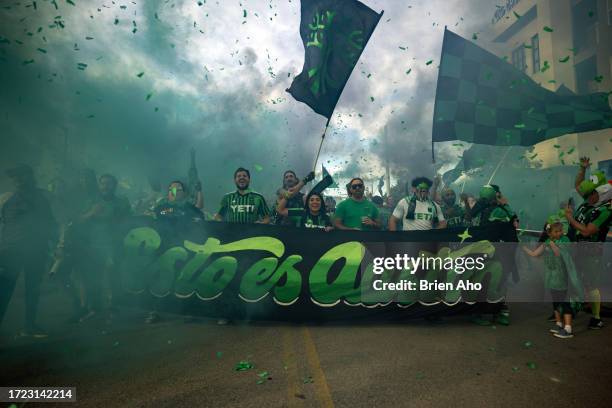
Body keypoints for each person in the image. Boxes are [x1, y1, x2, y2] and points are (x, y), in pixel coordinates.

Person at [0, 164, 57, 337]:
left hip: (36, 250)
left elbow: (52, 223)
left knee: (33, 290)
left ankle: (29, 326)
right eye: (14, 177)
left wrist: (55, 247)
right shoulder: (5, 198)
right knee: (4, 291)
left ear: (30, 176)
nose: (17, 180)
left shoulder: (43, 197)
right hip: (10, 251)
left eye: (21, 176)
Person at [145, 180, 205, 324]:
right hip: (163, 248)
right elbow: (155, 215)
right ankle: (155, 311)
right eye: (171, 189)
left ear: (184, 193)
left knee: (182, 280)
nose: (174, 192)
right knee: (160, 279)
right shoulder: (161, 207)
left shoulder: (189, 207)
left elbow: (199, 212)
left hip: (183, 249)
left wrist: (199, 193)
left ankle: (186, 312)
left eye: (178, 189)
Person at [78, 174, 131, 322]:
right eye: (102, 184)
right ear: (99, 186)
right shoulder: (91, 201)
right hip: (93, 245)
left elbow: (128, 222)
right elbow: (79, 221)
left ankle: (113, 309)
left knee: (112, 277)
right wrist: (91, 213)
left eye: (108, 184)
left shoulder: (122, 202)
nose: (105, 187)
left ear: (115, 186)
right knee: (92, 278)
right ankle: (94, 309)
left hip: (114, 245)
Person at [522, 217, 583, 339]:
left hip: (563, 277)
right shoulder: (547, 242)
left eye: (560, 230)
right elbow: (535, 254)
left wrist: (551, 243)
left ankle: (568, 328)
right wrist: (522, 246)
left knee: (564, 302)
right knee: (555, 301)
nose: (560, 233)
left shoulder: (564, 240)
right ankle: (559, 324)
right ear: (550, 233)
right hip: (551, 277)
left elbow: (558, 253)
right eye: (556, 231)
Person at [566, 177, 611, 330]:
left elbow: (587, 231)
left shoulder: (605, 210)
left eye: (592, 193)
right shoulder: (589, 202)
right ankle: (573, 309)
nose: (587, 196)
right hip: (577, 249)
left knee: (591, 284)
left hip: (591, 252)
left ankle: (596, 319)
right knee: (575, 280)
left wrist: (570, 218)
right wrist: (583, 169)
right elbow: (578, 185)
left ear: (602, 194)